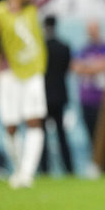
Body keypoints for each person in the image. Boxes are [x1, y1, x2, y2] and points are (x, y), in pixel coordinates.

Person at [0, 0, 57, 188]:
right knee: (11, 125)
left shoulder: (32, 7)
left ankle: (27, 173)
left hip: (33, 72)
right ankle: (18, 169)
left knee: (34, 121)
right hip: (10, 73)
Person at [71, 20, 105, 159]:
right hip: (86, 100)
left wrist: (87, 68)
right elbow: (75, 67)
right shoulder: (83, 50)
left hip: (104, 100)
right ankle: (95, 162)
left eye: (94, 29)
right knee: (91, 134)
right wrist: (93, 67)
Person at [40, 15, 73, 175]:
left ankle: (44, 169)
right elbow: (66, 70)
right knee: (61, 135)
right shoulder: (64, 47)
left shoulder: (40, 48)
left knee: (42, 136)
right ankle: (68, 168)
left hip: (43, 97)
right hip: (59, 97)